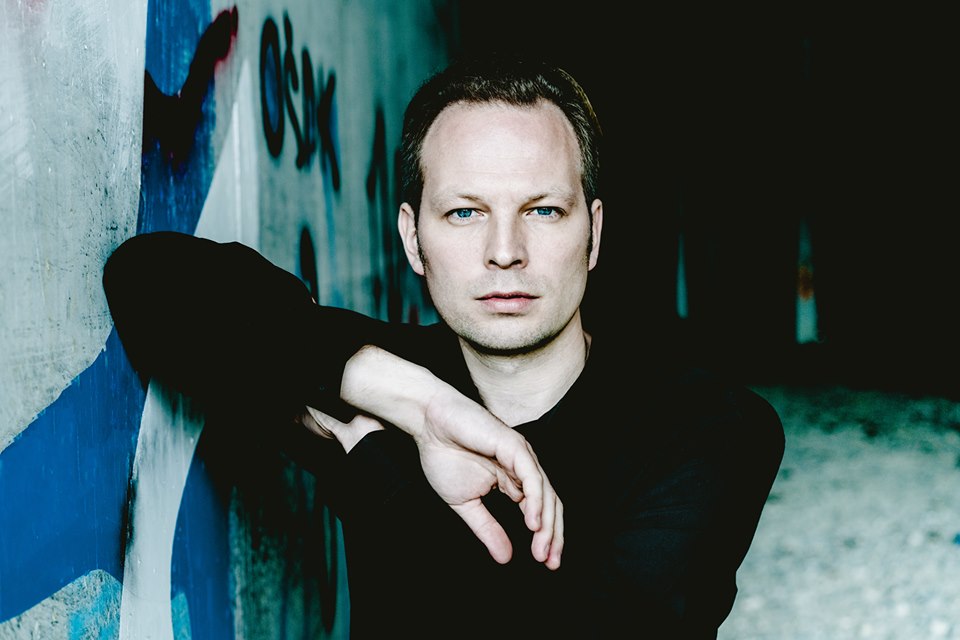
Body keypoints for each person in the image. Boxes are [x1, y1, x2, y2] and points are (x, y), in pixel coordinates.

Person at [103, 53, 785, 638]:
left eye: (543, 210)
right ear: (413, 238)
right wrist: (420, 404)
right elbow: (147, 282)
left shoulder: (709, 428)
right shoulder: (386, 381)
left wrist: (380, 477)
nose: (505, 251)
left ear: (594, 234)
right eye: (465, 212)